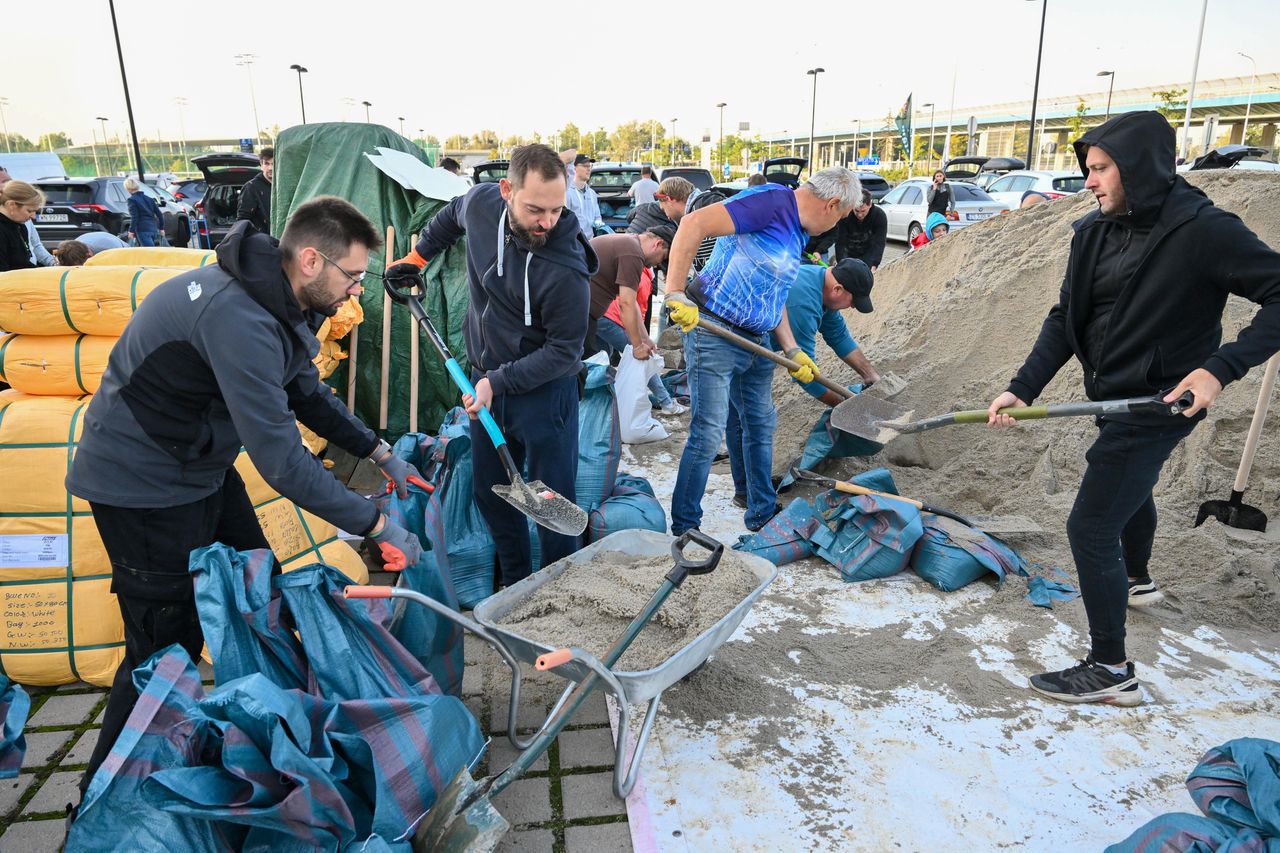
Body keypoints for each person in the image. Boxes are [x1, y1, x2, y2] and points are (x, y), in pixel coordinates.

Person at [65, 195, 425, 812]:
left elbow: (306, 396)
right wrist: (374, 522)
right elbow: (282, 461)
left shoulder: (278, 303)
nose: (356, 293)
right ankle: (103, 798)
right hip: (141, 486)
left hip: (197, 465)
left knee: (261, 583)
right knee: (161, 646)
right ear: (312, 261)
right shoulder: (239, 317)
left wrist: (383, 455)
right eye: (353, 277)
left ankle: (272, 732)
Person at [986, 110, 1280, 707]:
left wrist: (1221, 368)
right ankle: (1138, 580)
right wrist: (1025, 387)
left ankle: (1110, 668)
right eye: (1087, 169)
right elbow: (1065, 320)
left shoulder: (1203, 230)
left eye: (1099, 169)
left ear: (1138, 169)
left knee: (1090, 525)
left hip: (1160, 401)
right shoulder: (1093, 232)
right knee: (1129, 491)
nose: (1088, 181)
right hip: (1113, 392)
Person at [389, 144, 596, 587]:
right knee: (492, 494)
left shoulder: (566, 267)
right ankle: (517, 584)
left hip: (544, 395)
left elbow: (564, 351)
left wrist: (496, 383)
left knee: (550, 502)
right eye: (535, 209)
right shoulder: (482, 203)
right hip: (487, 384)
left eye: (557, 211)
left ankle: (561, 591)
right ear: (506, 190)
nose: (547, 222)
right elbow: (450, 217)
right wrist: (417, 258)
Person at [665, 168, 861, 534]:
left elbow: (774, 293)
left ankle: (761, 512)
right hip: (714, 330)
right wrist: (675, 292)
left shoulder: (798, 231)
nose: (836, 227)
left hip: (756, 341)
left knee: (759, 423)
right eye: (841, 217)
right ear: (832, 205)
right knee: (708, 431)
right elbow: (692, 224)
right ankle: (686, 525)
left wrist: (792, 349)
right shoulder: (770, 202)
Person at [727, 258, 879, 506]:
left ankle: (750, 490)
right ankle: (750, 495)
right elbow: (806, 375)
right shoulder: (802, 300)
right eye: (853, 301)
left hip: (752, 345)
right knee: (750, 421)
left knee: (748, 420)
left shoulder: (822, 285)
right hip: (735, 348)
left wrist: (871, 376)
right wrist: (842, 406)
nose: (851, 307)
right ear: (838, 289)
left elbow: (838, 335)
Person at [596, 263, 687, 415]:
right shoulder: (643, 279)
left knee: (601, 358)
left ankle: (604, 403)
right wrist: (641, 342)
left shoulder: (633, 271)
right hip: (611, 318)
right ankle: (667, 402)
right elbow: (637, 312)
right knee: (643, 357)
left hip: (597, 313)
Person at [586, 226, 673, 358]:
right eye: (663, 258)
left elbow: (633, 304)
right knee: (587, 363)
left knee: (597, 361)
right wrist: (637, 347)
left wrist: (645, 339)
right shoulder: (633, 254)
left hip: (588, 313)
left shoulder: (631, 244)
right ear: (658, 244)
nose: (657, 264)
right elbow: (626, 304)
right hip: (582, 312)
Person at [0, 180, 43, 272]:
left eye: (36, 211)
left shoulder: (20, 226)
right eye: (29, 211)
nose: (33, 216)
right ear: (11, 205)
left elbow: (24, 264)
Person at [627, 176, 694, 232]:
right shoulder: (697, 210)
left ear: (669, 199)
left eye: (664, 210)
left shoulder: (694, 220)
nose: (667, 216)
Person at [564, 153, 603, 241]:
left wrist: (599, 224)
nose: (589, 169)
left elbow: (597, 217)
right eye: (585, 166)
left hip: (590, 242)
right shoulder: (567, 192)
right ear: (574, 168)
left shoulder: (592, 193)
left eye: (590, 166)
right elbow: (564, 221)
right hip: (573, 242)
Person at [237, 146, 274, 235]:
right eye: (267, 164)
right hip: (261, 241)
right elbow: (243, 219)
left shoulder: (282, 186)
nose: (270, 168)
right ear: (261, 165)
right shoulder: (251, 187)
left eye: (273, 164)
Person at [124, 178, 165, 247]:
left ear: (128, 189)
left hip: (142, 230)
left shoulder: (131, 200)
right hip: (153, 229)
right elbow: (160, 215)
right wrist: (161, 228)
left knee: (149, 253)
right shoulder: (149, 199)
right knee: (151, 251)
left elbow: (135, 217)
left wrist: (131, 231)